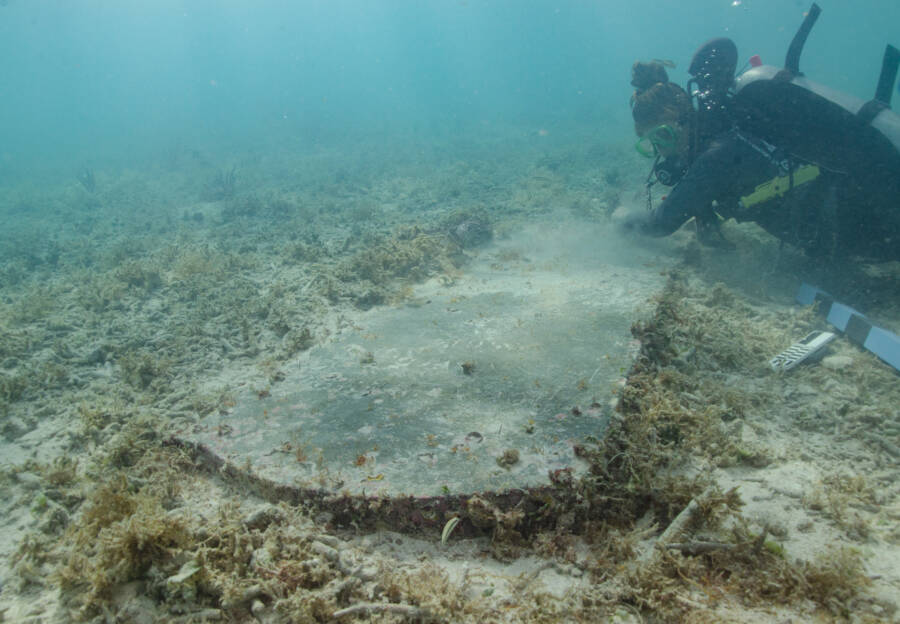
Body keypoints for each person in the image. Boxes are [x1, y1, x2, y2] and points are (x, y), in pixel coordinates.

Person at [624, 13, 900, 263]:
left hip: (861, 222)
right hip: (855, 215)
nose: (662, 150)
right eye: (651, 144)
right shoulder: (730, 137)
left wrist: (616, 223)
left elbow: (659, 224)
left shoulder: (717, 155)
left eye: (664, 135)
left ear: (683, 118)